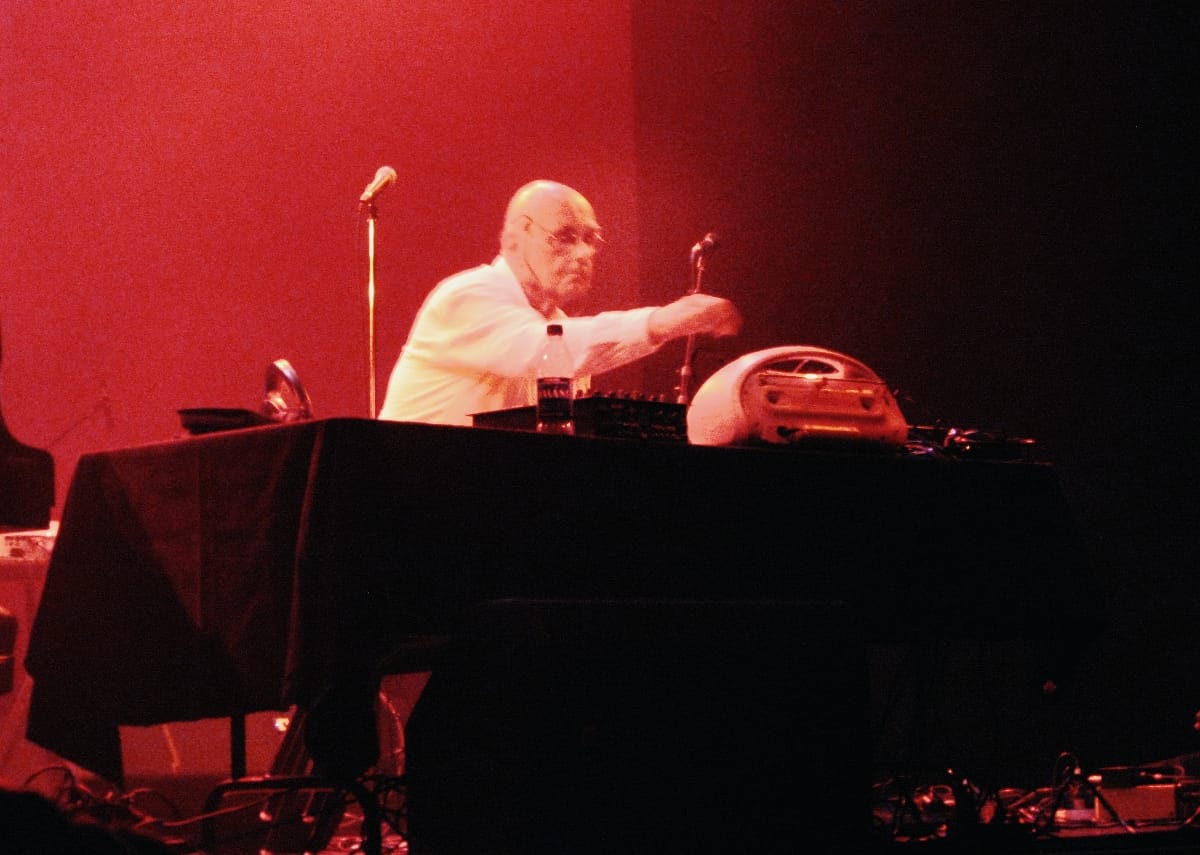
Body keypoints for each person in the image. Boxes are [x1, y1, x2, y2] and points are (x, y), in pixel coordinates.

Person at [378, 180, 741, 425]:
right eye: (565, 237)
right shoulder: (467, 296)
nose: (583, 253)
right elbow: (543, 349)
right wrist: (658, 322)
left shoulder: (558, 321)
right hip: (407, 503)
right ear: (514, 242)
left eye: (590, 239)